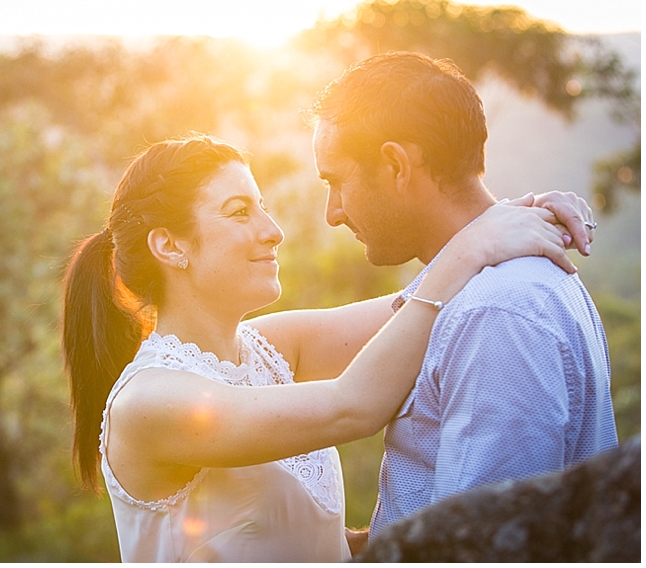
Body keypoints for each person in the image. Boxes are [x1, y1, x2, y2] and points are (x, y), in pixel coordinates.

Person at [62, 134, 593, 562]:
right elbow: (353, 406)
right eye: (239, 211)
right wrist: (477, 241)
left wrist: (523, 214)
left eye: (263, 207)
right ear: (169, 245)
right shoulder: (149, 402)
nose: (273, 231)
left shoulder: (271, 348)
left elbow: (420, 305)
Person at [308, 51, 618, 545]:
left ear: (396, 165)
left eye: (336, 182)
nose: (334, 212)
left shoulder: (494, 314)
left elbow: (483, 546)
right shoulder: (468, 290)